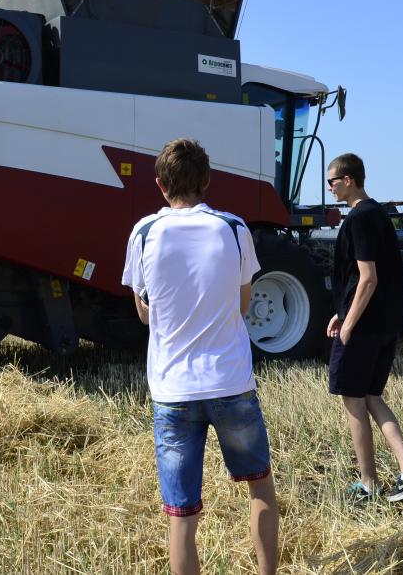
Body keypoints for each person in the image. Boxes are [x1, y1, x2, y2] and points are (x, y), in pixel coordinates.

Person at [122, 138, 279, 575]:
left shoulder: (144, 232)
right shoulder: (233, 228)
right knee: (260, 491)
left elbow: (143, 312)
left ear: (159, 185)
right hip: (231, 383)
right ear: (208, 181)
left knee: (181, 516)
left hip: (172, 391)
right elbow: (243, 303)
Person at [325, 153, 403, 503]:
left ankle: (368, 484)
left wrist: (349, 324)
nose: (330, 188)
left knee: (353, 401)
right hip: (384, 324)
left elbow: (368, 278)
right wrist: (342, 311)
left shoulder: (360, 218)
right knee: (371, 397)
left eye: (332, 182)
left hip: (365, 327)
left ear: (349, 180)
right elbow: (362, 280)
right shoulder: (380, 214)